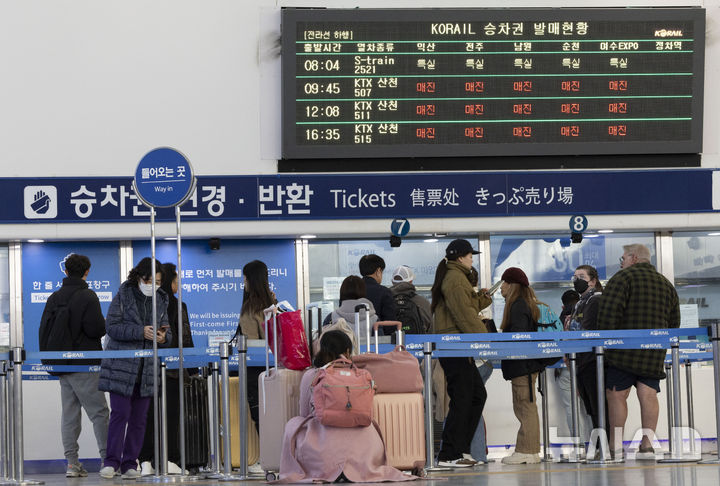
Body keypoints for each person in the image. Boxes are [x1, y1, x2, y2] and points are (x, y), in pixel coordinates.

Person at [277, 330, 413, 483]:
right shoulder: (361, 374)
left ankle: (319, 469)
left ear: (322, 350)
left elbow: (304, 413)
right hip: (364, 455)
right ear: (348, 351)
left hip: (322, 455)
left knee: (294, 423)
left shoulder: (312, 375)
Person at [597, 244, 680, 460]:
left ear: (633, 258)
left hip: (623, 351)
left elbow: (608, 314)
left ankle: (615, 446)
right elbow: (674, 322)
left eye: (622, 257)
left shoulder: (622, 279)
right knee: (648, 394)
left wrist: (607, 343)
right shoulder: (666, 284)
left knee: (616, 395)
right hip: (653, 351)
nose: (621, 262)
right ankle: (647, 445)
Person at [99, 258, 171, 479]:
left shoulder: (162, 299)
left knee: (140, 419)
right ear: (140, 278)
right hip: (121, 368)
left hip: (147, 369)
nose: (154, 285)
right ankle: (111, 461)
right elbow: (111, 327)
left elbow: (168, 331)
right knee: (120, 414)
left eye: (158, 281)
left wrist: (163, 337)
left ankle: (130, 462)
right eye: (150, 280)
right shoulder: (124, 295)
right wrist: (140, 331)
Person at [39, 253, 110, 477]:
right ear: (87, 272)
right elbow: (97, 329)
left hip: (62, 366)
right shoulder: (88, 296)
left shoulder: (54, 297)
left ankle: (71, 463)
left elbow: (43, 330)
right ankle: (107, 461)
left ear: (66, 271)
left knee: (69, 415)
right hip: (85, 365)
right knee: (99, 413)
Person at [431, 239, 490, 467]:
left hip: (457, 345)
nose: (472, 259)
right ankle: (449, 454)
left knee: (475, 395)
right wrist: (483, 341)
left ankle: (458, 450)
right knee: (464, 397)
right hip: (455, 345)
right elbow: (463, 314)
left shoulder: (456, 278)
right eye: (470, 255)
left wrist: (482, 299)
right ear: (460, 257)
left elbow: (465, 307)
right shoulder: (455, 279)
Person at [139, 263, 196, 476]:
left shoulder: (145, 305)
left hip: (148, 371)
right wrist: (192, 369)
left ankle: (146, 461)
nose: (178, 284)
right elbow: (185, 339)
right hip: (172, 371)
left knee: (147, 418)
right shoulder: (178, 306)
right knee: (172, 418)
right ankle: (171, 460)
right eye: (176, 280)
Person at [498, 267, 544, 465]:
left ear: (512, 284)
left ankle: (526, 450)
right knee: (527, 406)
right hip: (528, 364)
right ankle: (530, 450)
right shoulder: (528, 303)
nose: (501, 287)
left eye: (504, 282)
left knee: (524, 406)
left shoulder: (517, 305)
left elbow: (518, 334)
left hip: (521, 365)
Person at [237, 259, 276, 474]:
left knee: (259, 414)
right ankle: (275, 458)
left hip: (255, 368)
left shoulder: (251, 306)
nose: (243, 282)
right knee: (272, 414)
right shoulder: (272, 303)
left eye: (245, 278)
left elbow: (250, 340)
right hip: (273, 367)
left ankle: (267, 460)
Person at [567, 265, 605, 452]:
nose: (577, 280)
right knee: (589, 407)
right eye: (574, 277)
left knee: (598, 406)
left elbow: (587, 328)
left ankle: (603, 445)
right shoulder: (579, 302)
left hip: (593, 360)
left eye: (581, 276)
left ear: (593, 280)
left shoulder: (596, 300)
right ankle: (597, 444)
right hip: (581, 360)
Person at [390, 265, 432, 334]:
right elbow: (431, 329)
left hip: (393, 343)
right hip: (418, 343)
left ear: (392, 282)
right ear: (411, 281)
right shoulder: (423, 302)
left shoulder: (386, 301)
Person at [359, 254, 396, 323]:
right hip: (378, 333)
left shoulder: (351, 290)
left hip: (353, 333)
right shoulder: (384, 292)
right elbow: (390, 323)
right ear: (378, 271)